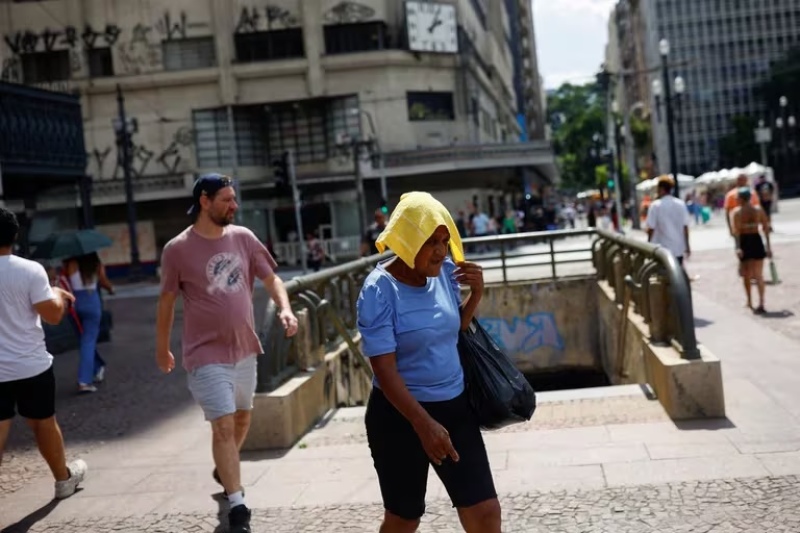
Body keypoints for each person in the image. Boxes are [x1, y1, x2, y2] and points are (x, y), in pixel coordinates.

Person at [155, 174, 299, 533]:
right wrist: (162, 347)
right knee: (222, 426)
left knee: (241, 421)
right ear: (205, 201)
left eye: (235, 199)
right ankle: (237, 505)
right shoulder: (177, 249)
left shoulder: (244, 238)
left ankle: (225, 466)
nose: (234, 206)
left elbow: (271, 280)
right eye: (226, 200)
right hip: (204, 353)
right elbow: (167, 301)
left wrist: (285, 308)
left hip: (244, 348)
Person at [357, 192, 501, 533]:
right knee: (404, 519)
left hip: (455, 408)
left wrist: (475, 296)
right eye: (430, 241)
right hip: (400, 417)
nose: (440, 250)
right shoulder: (379, 290)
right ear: (407, 240)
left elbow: (451, 332)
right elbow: (384, 370)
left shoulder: (446, 273)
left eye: (444, 240)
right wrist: (424, 424)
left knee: (485, 512)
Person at [0, 207, 88, 500]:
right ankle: (63, 479)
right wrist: (59, 295)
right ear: (14, 235)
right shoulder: (30, 270)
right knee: (43, 422)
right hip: (31, 365)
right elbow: (52, 316)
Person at [60, 253, 114, 393]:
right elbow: (103, 282)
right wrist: (110, 289)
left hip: (74, 303)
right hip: (91, 302)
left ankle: (98, 366)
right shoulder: (95, 264)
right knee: (88, 341)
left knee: (84, 340)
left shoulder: (70, 263)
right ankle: (84, 381)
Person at [731, 187, 772, 313]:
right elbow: (766, 228)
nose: (736, 199)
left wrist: (738, 247)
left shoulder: (737, 212)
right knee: (759, 275)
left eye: (738, 197)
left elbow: (736, 233)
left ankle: (749, 301)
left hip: (745, 242)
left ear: (741, 199)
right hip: (756, 240)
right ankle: (761, 302)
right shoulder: (758, 210)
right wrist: (768, 246)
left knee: (746, 274)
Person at [646, 176, 691, 266]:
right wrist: (687, 246)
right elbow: (685, 227)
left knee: (663, 276)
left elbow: (651, 228)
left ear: (662, 189)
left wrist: (648, 244)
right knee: (677, 273)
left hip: (662, 248)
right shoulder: (680, 204)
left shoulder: (655, 206)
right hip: (678, 248)